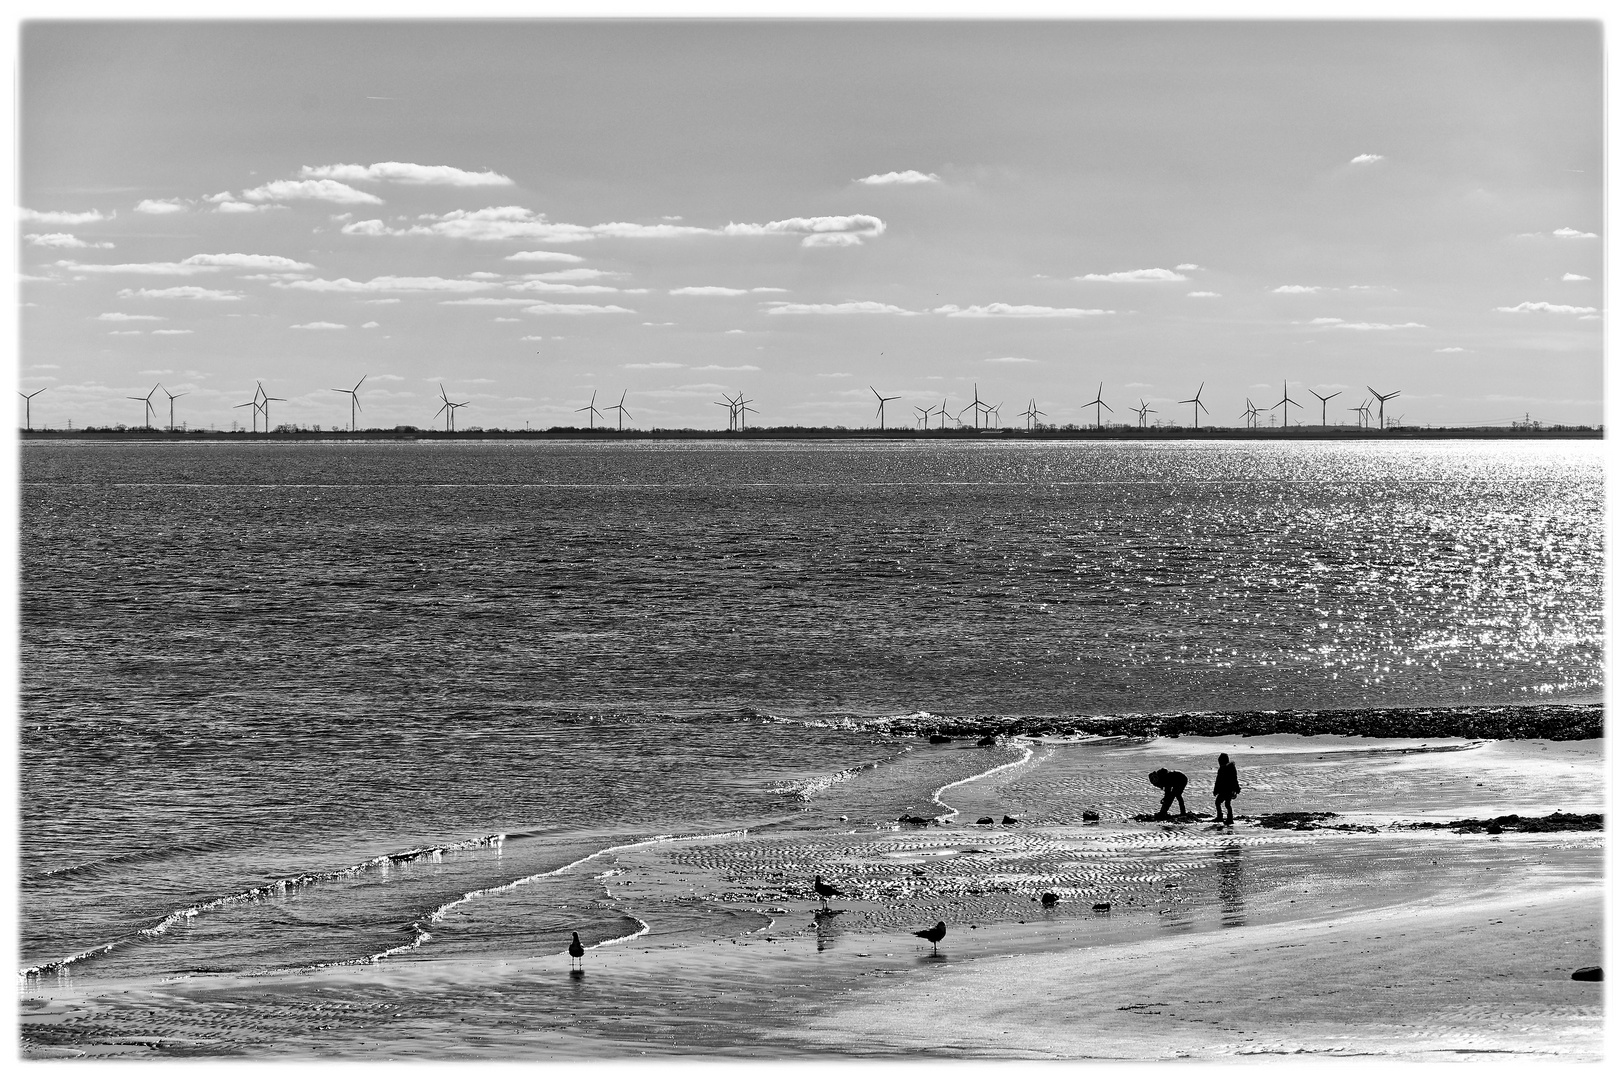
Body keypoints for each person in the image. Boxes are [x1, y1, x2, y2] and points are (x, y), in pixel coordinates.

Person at [1213, 753, 1240, 825]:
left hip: (1226, 790)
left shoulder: (1224, 769)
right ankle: (1227, 818)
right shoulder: (1231, 768)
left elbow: (1218, 780)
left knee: (1220, 803)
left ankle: (1223, 817)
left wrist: (1216, 790)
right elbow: (1234, 779)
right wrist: (1236, 789)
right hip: (1228, 790)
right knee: (1226, 804)